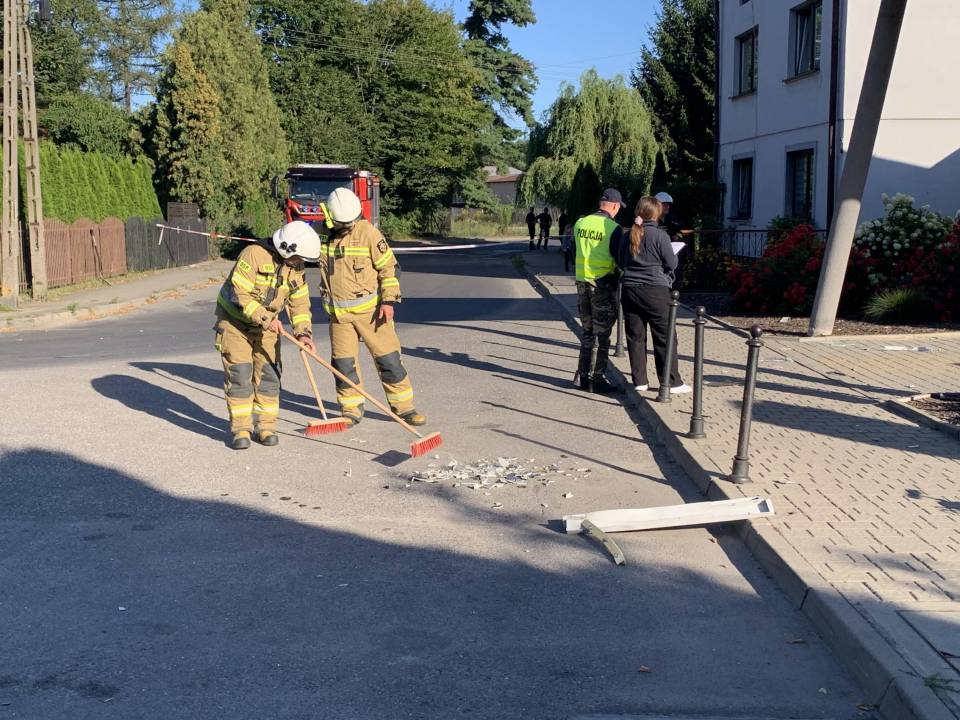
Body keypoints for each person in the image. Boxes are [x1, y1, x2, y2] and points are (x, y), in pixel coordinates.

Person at [319, 187, 426, 427]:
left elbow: (390, 268)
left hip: (372, 313)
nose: (347, 227)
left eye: (350, 223)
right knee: (343, 366)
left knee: (389, 361)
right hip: (339, 317)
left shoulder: (369, 234)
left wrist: (388, 301)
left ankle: (404, 408)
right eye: (342, 224)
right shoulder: (322, 233)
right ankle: (350, 409)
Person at [215, 220, 321, 450]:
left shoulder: (295, 266)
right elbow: (239, 295)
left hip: (268, 327)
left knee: (270, 376)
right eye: (298, 258)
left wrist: (303, 334)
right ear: (286, 248)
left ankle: (266, 427)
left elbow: (300, 303)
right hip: (235, 324)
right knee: (240, 375)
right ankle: (241, 429)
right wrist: (266, 318)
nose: (300, 263)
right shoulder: (253, 254)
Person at [611, 196, 691, 394]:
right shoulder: (660, 235)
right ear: (656, 213)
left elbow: (620, 260)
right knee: (664, 336)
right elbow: (671, 263)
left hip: (630, 289)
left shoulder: (628, 235)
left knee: (635, 336)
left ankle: (640, 381)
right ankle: (671, 382)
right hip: (655, 290)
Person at [571, 189, 623, 394]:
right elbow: (619, 259)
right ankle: (597, 378)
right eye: (619, 208)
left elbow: (573, 251)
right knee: (602, 334)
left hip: (581, 283)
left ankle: (582, 376)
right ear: (614, 206)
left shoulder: (580, 223)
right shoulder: (613, 228)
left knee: (587, 331)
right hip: (602, 285)